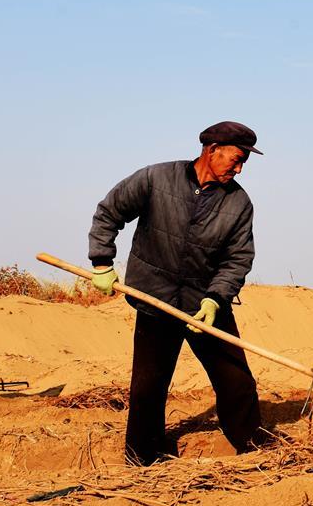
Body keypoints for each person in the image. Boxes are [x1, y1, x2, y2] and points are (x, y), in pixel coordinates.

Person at [88, 121, 264, 465]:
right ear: (212, 150)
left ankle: (252, 448)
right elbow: (110, 212)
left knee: (236, 380)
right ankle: (143, 458)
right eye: (237, 158)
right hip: (155, 299)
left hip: (205, 305)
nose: (240, 168)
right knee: (147, 387)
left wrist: (216, 298)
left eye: (244, 162)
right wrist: (101, 262)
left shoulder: (239, 203)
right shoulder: (156, 178)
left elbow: (238, 258)